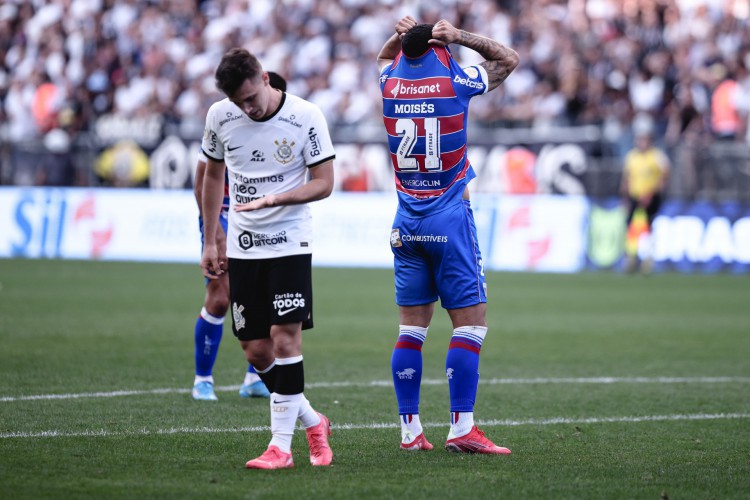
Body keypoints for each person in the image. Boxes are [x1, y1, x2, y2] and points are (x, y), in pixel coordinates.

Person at [377, 17, 519, 454]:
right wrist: (459, 37)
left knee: (411, 330)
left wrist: (400, 36)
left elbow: (384, 55)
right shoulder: (455, 80)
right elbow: (507, 59)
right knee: (471, 326)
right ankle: (461, 428)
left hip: (406, 221)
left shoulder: (388, 83)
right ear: (439, 51)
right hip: (449, 217)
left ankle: (409, 432)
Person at [200, 49, 335, 469]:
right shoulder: (220, 117)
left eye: (250, 97)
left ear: (263, 77)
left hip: (289, 242)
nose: (246, 107)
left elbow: (325, 183)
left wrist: (278, 197)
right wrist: (211, 237)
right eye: (238, 101)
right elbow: (212, 174)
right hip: (243, 246)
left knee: (284, 338)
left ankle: (281, 447)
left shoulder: (305, 115)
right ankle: (314, 420)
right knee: (255, 348)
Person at [191, 72, 288, 402]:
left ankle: (253, 376)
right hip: (224, 214)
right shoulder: (228, 124)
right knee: (220, 297)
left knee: (270, 302)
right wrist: (213, 231)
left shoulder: (287, 129)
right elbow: (202, 181)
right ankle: (203, 379)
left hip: (264, 220)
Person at [620, 126, 670, 274]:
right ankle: (631, 258)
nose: (641, 143)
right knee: (631, 228)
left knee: (647, 228)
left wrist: (653, 193)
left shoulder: (657, 156)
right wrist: (625, 197)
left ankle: (648, 259)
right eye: (639, 139)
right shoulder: (632, 156)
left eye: (644, 140)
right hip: (634, 197)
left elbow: (665, 176)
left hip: (650, 197)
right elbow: (627, 178)